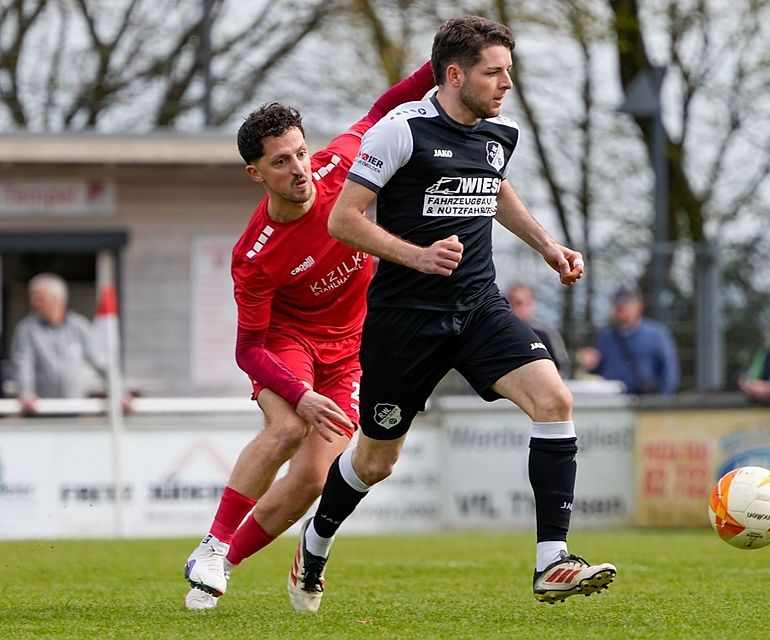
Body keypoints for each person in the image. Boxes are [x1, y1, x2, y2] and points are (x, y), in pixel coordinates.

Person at [288, 15, 616, 609]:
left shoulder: (500, 133)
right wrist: (418, 256)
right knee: (376, 460)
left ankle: (552, 561)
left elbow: (494, 185)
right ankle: (316, 540)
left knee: (555, 400)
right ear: (456, 74)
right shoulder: (400, 130)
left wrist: (546, 246)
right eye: (494, 72)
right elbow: (343, 219)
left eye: (509, 71)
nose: (506, 84)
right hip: (405, 320)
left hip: (478, 308)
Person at [181, 62, 437, 612]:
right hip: (288, 345)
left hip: (350, 352)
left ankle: (219, 568)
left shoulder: (340, 166)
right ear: (255, 173)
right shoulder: (254, 255)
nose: (299, 169)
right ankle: (212, 544)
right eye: (281, 161)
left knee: (314, 479)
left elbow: (382, 108)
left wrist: (443, 62)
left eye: (300, 152)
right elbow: (247, 349)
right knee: (289, 427)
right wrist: (299, 394)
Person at [11, 273, 107, 413]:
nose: (34, 302)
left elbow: (101, 361)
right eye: (32, 297)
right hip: (40, 411)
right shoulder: (27, 330)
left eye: (39, 298)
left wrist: (119, 392)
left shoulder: (78, 327)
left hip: (75, 409)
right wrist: (26, 393)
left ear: (57, 299)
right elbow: (23, 364)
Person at [578, 287, 679, 394]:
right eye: (617, 304)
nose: (621, 308)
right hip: (612, 400)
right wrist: (588, 364)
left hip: (644, 400)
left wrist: (660, 400)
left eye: (626, 303)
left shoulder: (657, 335)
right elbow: (595, 374)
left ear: (639, 305)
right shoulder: (604, 338)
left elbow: (669, 373)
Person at [505, 282, 571, 377]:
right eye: (514, 303)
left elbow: (561, 367)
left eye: (524, 303)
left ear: (532, 304)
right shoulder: (499, 333)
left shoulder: (544, 333)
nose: (521, 308)